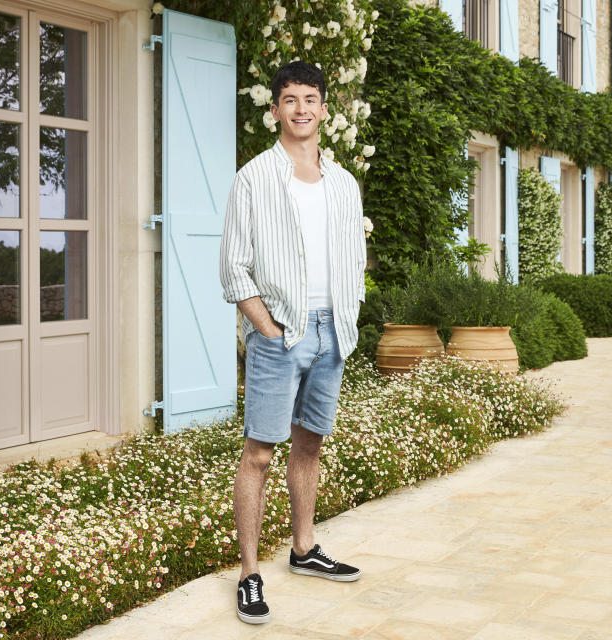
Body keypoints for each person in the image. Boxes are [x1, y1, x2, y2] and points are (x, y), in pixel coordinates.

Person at [219, 61, 367, 625]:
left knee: (311, 444)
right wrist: (267, 327)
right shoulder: (254, 178)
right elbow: (234, 268)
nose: (301, 108)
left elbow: (351, 259)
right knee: (259, 452)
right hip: (281, 332)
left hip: (333, 332)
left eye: (310, 99)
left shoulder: (344, 183)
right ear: (275, 109)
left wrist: (347, 320)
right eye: (290, 99)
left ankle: (304, 550)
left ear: (324, 108)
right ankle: (249, 575)